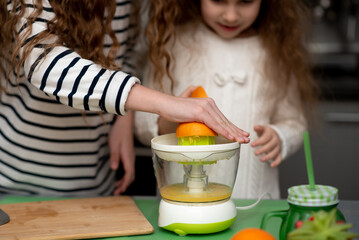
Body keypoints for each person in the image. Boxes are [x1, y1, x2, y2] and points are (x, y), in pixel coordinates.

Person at [0, 0, 249, 196]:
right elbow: (44, 62)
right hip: (15, 180)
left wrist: (123, 117)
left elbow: (128, 51)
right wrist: (167, 104)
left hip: (93, 180)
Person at [134, 0, 318, 199]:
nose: (231, 16)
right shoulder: (171, 43)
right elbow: (143, 125)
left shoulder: (277, 51)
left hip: (256, 202)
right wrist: (174, 114)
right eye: (218, 0)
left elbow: (295, 122)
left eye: (245, 1)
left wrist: (280, 137)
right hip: (184, 201)